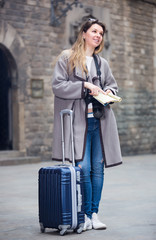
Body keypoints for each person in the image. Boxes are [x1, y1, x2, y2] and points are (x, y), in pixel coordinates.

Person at [52, 18, 122, 231]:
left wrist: (110, 92)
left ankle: (94, 214)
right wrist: (84, 85)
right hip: (77, 125)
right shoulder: (67, 57)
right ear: (83, 33)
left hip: (100, 123)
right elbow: (58, 86)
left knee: (98, 171)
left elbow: (112, 85)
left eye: (101, 33)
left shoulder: (103, 63)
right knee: (83, 169)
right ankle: (82, 215)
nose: (98, 35)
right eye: (94, 31)